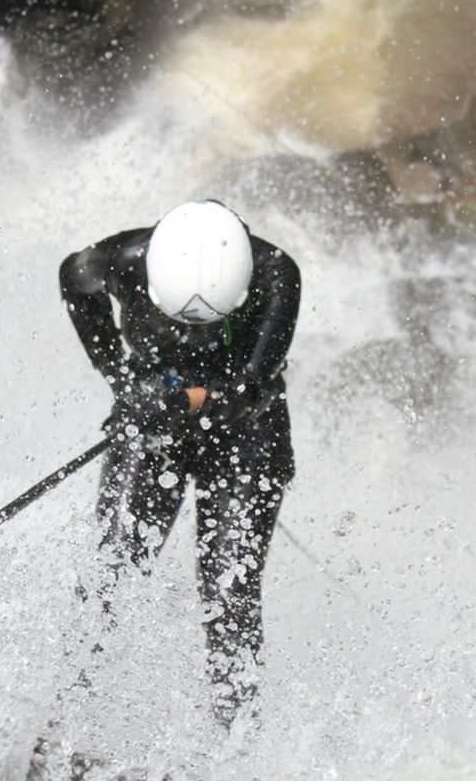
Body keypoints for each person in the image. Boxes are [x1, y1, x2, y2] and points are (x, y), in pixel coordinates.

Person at [58, 199, 301, 727]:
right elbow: (72, 282)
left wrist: (181, 400)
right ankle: (67, 712)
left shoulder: (276, 272)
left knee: (228, 590)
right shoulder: (120, 258)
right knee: (113, 569)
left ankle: (236, 732)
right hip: (151, 416)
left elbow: (249, 388)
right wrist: (119, 378)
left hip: (246, 429)